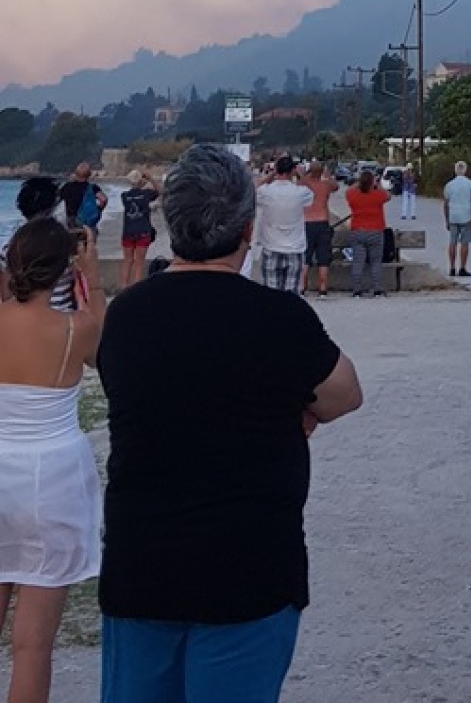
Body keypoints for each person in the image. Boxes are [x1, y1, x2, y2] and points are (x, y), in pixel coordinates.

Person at [97, 143, 362, 703]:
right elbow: (343, 395)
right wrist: (292, 408)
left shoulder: (126, 316)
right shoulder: (280, 320)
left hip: (141, 568)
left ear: (171, 221)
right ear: (247, 228)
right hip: (250, 571)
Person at [0, 218, 104, 703]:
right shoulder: (75, 329)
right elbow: (104, 348)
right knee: (33, 644)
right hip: (52, 477)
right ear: (65, 270)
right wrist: (93, 280)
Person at [0, 176, 75, 310]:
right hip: (63, 316)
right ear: (53, 206)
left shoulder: (9, 242)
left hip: (24, 320)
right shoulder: (63, 238)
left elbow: (7, 294)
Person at [256, 155, 313, 293]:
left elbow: (255, 186)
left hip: (271, 247)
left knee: (270, 296)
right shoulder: (300, 193)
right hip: (294, 248)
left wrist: (272, 173)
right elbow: (311, 190)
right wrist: (301, 175)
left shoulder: (266, 191)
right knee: (291, 296)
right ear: (292, 171)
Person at [346, 169, 389, 297]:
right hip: (375, 231)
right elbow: (388, 195)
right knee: (376, 262)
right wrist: (377, 184)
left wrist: (359, 183)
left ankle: (357, 290)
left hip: (358, 231)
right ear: (372, 183)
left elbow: (347, 191)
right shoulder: (378, 195)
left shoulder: (353, 195)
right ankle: (377, 289)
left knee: (358, 262)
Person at [300, 159, 339, 298]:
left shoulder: (305, 184)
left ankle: (303, 287)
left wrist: (304, 173)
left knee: (305, 257)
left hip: (307, 222)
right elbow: (336, 186)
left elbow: (299, 180)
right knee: (323, 258)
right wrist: (327, 175)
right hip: (322, 222)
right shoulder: (325, 185)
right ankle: (322, 288)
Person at [119, 169, 160, 288]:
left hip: (128, 231)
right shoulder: (146, 194)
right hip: (143, 230)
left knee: (127, 260)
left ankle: (124, 286)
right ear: (141, 180)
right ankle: (136, 287)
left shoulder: (124, 196)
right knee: (139, 262)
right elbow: (159, 191)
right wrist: (150, 178)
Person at [443, 160, 471, 278]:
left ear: (455, 170)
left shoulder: (449, 185)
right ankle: (462, 268)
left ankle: (452, 267)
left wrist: (447, 219)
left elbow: (446, 204)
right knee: (464, 243)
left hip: (453, 216)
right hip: (466, 216)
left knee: (452, 242)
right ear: (465, 170)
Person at [59, 162, 107, 236]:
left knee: (75, 243)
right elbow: (103, 199)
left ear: (75, 173)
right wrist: (99, 209)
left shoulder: (67, 187)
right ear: (89, 175)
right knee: (90, 241)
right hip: (88, 221)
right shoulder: (93, 187)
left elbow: (58, 199)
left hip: (72, 221)